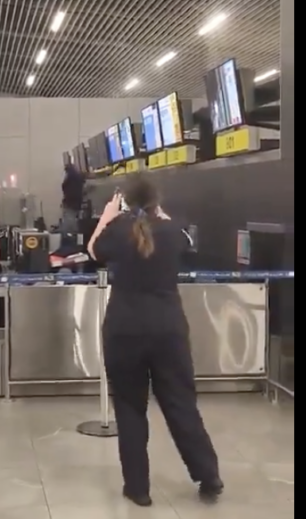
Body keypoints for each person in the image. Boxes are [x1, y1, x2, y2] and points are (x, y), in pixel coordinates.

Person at [87, 174, 223, 507]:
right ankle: (208, 475)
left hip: (124, 329)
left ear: (126, 202)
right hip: (168, 330)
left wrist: (108, 215)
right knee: (180, 403)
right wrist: (160, 215)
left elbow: (93, 251)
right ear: (157, 201)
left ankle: (138, 488)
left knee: (130, 407)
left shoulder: (117, 231)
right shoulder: (172, 231)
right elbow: (186, 245)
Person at [60, 162, 85, 235]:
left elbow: (66, 188)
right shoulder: (77, 177)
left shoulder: (70, 178)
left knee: (69, 226)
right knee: (72, 225)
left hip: (70, 204)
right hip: (74, 205)